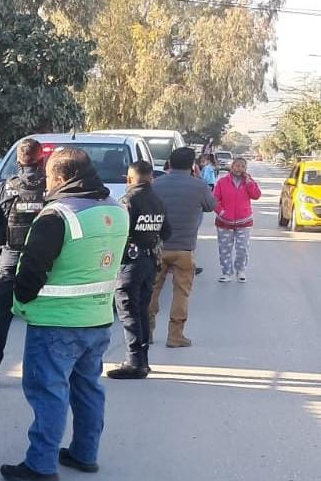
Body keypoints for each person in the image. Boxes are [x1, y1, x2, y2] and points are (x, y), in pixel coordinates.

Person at [0, 148, 128, 481]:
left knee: (48, 391)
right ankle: (85, 453)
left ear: (59, 177)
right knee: (87, 388)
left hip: (56, 323)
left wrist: (21, 301)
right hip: (99, 318)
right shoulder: (117, 210)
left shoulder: (57, 215)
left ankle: (41, 464)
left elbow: (30, 271)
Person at [0, 138, 46, 389]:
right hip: (46, 263)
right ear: (42, 160)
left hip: (9, 260)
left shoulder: (5, 189)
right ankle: (39, 376)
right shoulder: (55, 189)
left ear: (18, 161)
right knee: (43, 319)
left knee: (1, 319)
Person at [107, 161, 171, 379]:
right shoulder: (158, 201)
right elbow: (167, 233)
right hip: (150, 262)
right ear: (151, 177)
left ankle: (134, 363)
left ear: (129, 178)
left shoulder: (127, 201)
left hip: (130, 263)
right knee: (141, 310)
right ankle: (143, 360)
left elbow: (117, 233)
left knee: (128, 312)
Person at [148, 147, 216, 348]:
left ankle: (147, 331)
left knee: (152, 290)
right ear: (193, 165)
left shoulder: (156, 184)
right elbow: (210, 206)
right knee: (181, 292)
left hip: (158, 247)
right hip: (185, 249)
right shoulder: (199, 185)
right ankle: (175, 336)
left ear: (168, 162)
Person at [213, 157, 261, 283]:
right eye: (237, 166)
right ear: (232, 166)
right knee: (224, 249)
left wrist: (249, 183)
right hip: (224, 222)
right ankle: (226, 272)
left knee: (242, 248)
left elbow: (256, 195)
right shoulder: (222, 182)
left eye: (243, 166)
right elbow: (214, 200)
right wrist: (221, 212)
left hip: (244, 221)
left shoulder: (249, 182)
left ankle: (240, 270)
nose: (240, 169)